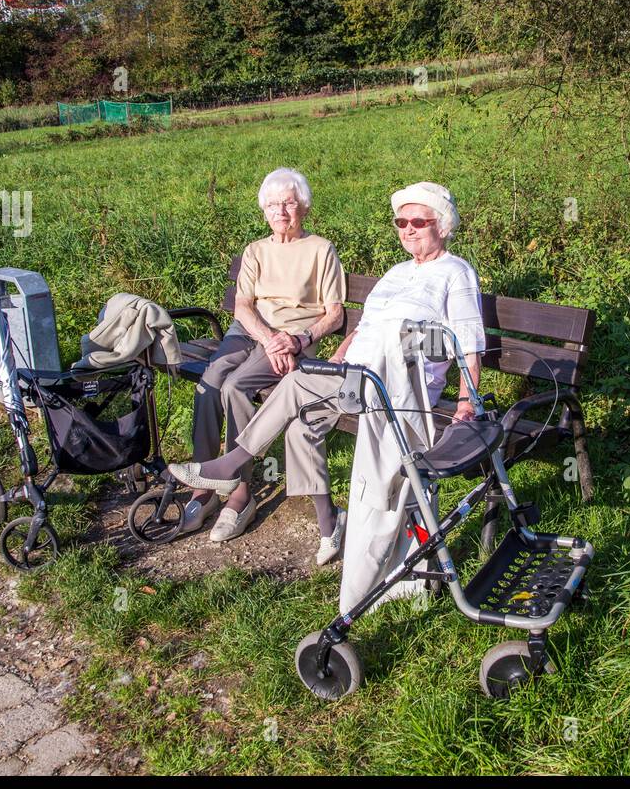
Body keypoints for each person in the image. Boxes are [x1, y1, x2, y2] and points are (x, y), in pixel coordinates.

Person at [169, 181, 485, 566]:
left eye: (418, 221)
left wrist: (467, 402)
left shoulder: (456, 272)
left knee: (297, 381)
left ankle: (231, 464)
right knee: (302, 423)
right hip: (355, 376)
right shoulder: (397, 273)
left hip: (399, 383)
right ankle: (328, 523)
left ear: (443, 225)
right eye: (401, 222)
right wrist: (337, 360)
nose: (408, 229)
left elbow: (468, 341)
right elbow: (360, 329)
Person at [182, 167, 346, 545]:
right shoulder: (255, 250)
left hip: (293, 338)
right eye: (272, 205)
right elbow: (242, 306)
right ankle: (203, 489)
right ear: (263, 211)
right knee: (209, 384)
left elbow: (334, 314)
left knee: (236, 387)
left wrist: (299, 340)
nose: (280, 212)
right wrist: (270, 338)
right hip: (253, 332)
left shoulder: (321, 249)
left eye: (288, 203)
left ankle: (240, 492)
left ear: (302, 206)